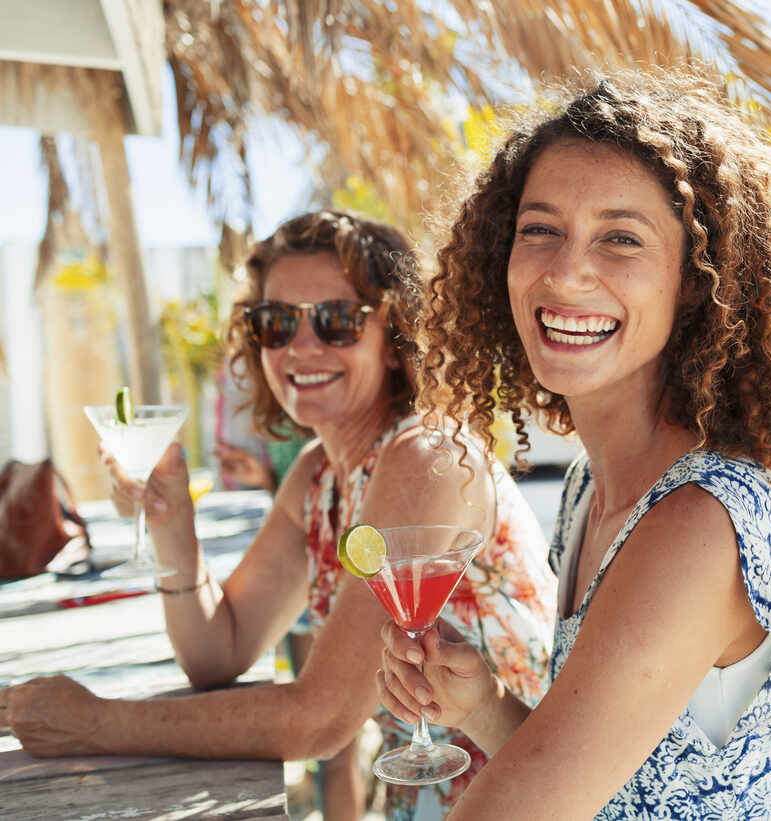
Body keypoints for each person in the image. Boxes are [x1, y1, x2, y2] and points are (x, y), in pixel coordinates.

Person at [375, 69, 771, 820]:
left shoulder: (697, 523)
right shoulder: (592, 486)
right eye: (539, 229)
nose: (567, 270)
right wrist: (483, 706)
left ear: (694, 281)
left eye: (622, 238)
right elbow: (614, 786)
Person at [0, 211, 556, 821]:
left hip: (524, 796)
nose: (303, 346)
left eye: (338, 322)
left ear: (395, 339)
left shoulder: (424, 457)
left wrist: (98, 724)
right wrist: (171, 525)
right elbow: (219, 651)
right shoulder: (318, 475)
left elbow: (317, 722)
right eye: (276, 323)